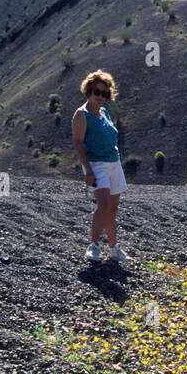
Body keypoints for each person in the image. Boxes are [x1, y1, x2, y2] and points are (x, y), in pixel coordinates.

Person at [71, 70, 130, 263]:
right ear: (89, 91)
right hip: (96, 164)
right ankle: (94, 245)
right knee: (103, 206)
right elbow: (78, 143)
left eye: (105, 93)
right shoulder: (82, 114)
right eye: (97, 92)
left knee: (112, 209)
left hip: (114, 162)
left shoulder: (104, 112)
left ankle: (113, 249)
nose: (101, 97)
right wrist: (87, 170)